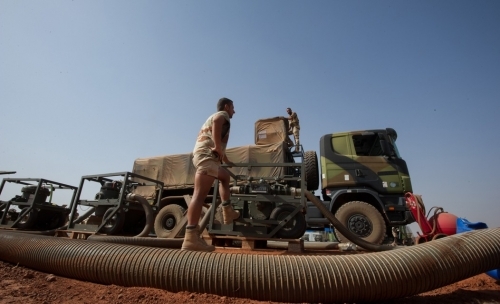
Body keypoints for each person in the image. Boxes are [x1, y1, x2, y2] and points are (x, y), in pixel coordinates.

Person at [181, 97, 240, 252]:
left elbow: (219, 143)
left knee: (225, 177)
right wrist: (216, 147)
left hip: (205, 156)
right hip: (207, 156)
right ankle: (190, 238)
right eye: (233, 107)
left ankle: (227, 211)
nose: (234, 110)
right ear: (226, 106)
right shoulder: (222, 115)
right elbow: (217, 122)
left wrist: (225, 159)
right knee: (199, 195)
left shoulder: (217, 119)